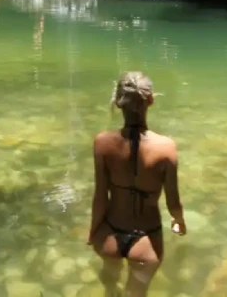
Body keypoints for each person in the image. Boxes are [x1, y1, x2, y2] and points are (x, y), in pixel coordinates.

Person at [88, 72, 186, 297]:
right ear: (150, 100)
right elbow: (174, 202)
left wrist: (93, 231)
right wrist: (179, 222)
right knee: (137, 292)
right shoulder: (166, 148)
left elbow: (100, 196)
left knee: (109, 281)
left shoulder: (102, 143)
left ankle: (112, 290)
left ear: (117, 102)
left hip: (110, 237)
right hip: (146, 242)